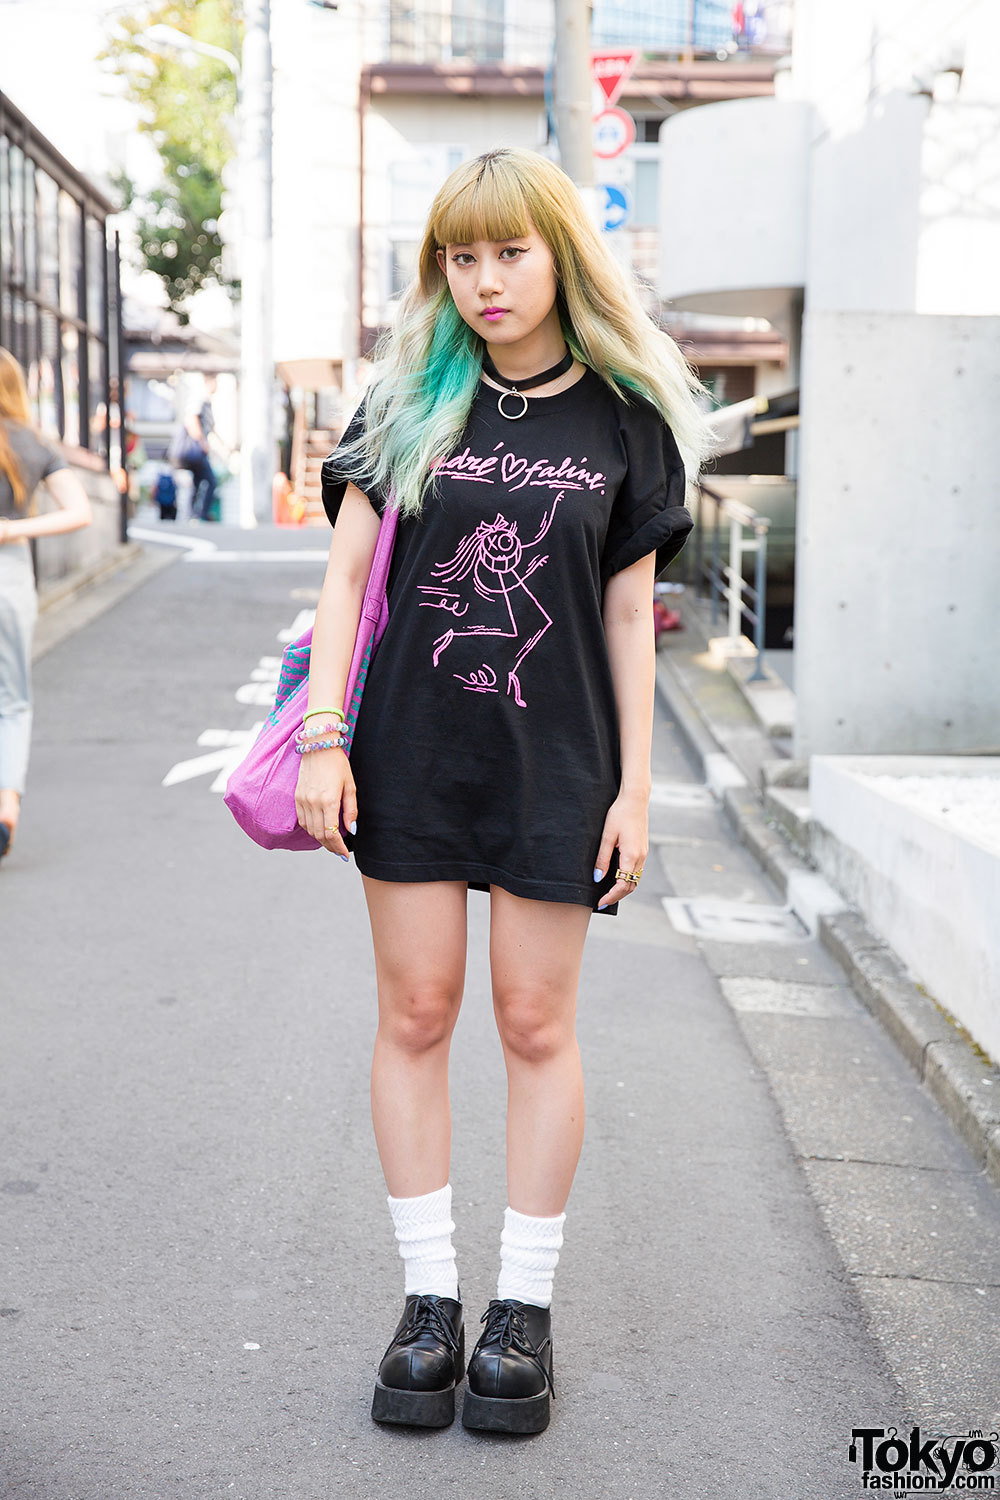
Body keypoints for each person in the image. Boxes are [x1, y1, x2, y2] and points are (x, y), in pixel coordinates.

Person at [298, 148, 715, 1434]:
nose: (484, 281)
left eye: (508, 253)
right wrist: (324, 736)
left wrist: (637, 791)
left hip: (558, 767)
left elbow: (629, 614)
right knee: (414, 1013)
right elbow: (346, 582)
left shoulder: (625, 418)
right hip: (412, 753)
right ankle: (429, 1303)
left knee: (535, 1025)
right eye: (460, 258)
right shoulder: (405, 405)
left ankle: (519, 1315)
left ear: (559, 256)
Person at [0, 347, 93, 860]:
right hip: (10, 572)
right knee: (11, 701)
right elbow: (79, 511)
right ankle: (6, 807)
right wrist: (14, 530)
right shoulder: (31, 443)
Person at [176, 373, 219, 522]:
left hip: (197, 451)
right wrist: (202, 442)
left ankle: (193, 514)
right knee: (210, 480)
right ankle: (200, 514)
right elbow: (191, 419)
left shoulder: (207, 401)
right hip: (196, 450)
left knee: (197, 482)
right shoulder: (199, 398)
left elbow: (211, 428)